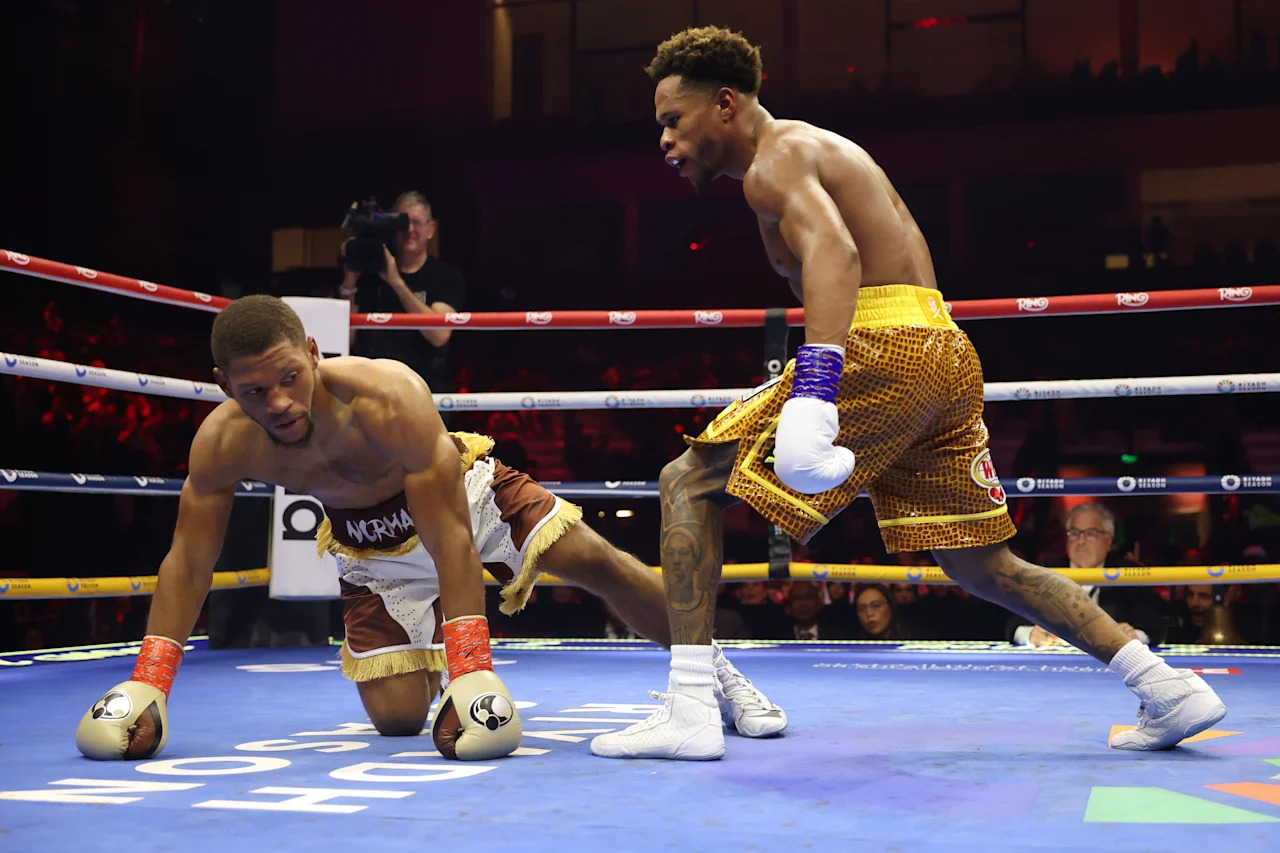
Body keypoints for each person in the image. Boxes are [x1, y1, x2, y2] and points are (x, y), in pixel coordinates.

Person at [590, 26, 1226, 760]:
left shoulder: (775, 161)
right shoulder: (806, 147)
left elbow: (837, 251)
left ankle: (691, 708)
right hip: (942, 348)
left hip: (884, 344)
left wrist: (815, 392)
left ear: (725, 104)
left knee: (686, 483)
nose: (664, 140)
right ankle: (1165, 685)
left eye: (673, 120)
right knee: (981, 563)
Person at [75, 296, 782, 763]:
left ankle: (712, 671)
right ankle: (439, 664)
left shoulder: (388, 396)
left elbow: (450, 536)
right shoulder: (224, 443)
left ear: (315, 352)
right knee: (396, 723)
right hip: (368, 553)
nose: (280, 402)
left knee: (597, 560)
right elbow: (189, 560)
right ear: (226, 384)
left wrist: (474, 667)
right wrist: (149, 682)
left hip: (463, 502)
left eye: (290, 376)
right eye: (255, 390)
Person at [339, 191, 464, 394]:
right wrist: (349, 282)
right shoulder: (370, 273)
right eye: (403, 223)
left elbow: (439, 334)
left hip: (423, 391)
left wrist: (397, 283)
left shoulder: (446, 275)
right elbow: (346, 340)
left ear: (431, 229)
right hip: (373, 391)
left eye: (417, 223)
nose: (410, 230)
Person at [1008, 503, 1168, 647]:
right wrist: (1029, 635)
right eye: (1075, 533)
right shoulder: (1048, 571)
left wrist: (1133, 636)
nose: (1081, 541)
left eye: (1090, 533)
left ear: (1108, 540)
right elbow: (1014, 623)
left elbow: (1155, 628)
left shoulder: (1128, 573)